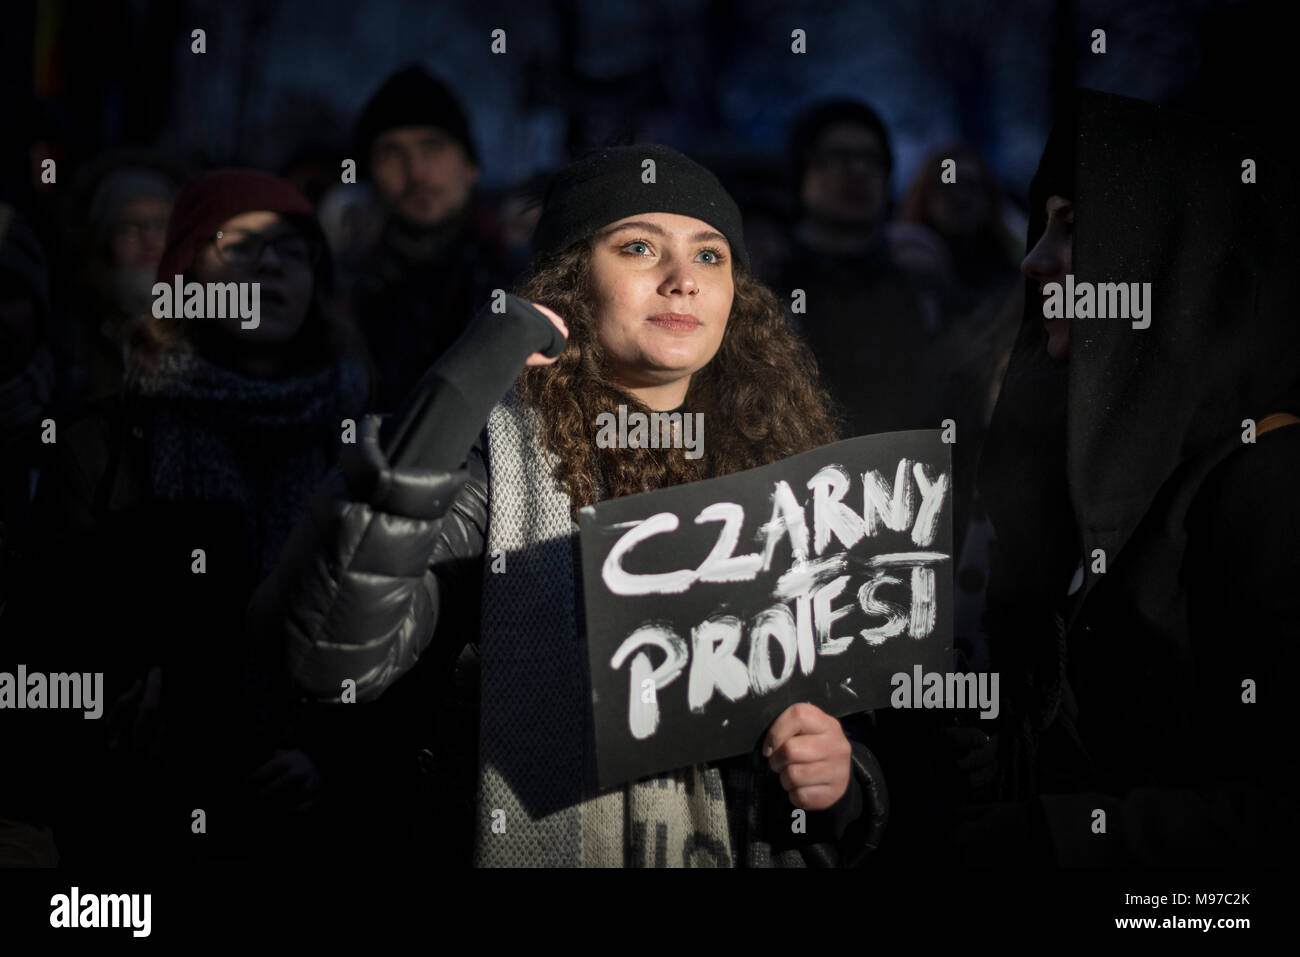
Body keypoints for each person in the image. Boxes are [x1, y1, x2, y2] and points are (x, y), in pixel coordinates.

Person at [250, 143, 890, 867]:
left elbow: (848, 730)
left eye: (711, 257)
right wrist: (446, 406)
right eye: (640, 247)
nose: (683, 280)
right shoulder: (487, 472)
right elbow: (330, 657)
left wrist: (841, 780)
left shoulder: (797, 487)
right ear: (570, 282)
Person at [954, 90, 1300, 865]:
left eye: (1073, 229)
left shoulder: (1270, 476)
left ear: (1172, 258)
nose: (1033, 260)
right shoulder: (1102, 461)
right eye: (1040, 224)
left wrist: (1048, 839)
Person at [10, 169, 371, 866]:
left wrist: (330, 750)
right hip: (140, 828)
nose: (269, 262)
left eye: (293, 249)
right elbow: (48, 644)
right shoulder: (103, 444)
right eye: (237, 244)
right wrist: (127, 691)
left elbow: (403, 636)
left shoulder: (369, 444)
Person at [349, 65, 516, 413]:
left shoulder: (530, 284)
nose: (416, 172)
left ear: (471, 166)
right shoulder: (340, 299)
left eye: (433, 147)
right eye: (392, 153)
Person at [775, 99, 942, 437]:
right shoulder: (766, 290)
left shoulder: (924, 288)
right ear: (801, 172)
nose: (857, 172)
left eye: (871, 160)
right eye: (836, 158)